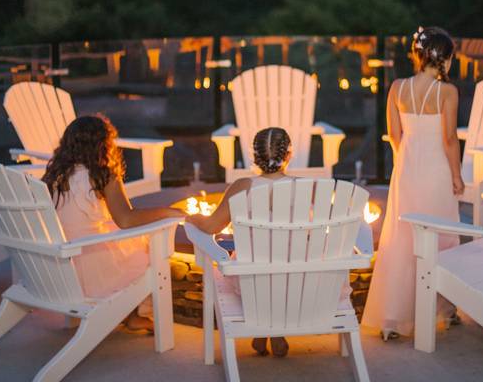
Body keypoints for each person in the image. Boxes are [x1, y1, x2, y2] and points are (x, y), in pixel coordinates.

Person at [362, 26, 464, 340]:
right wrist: (457, 176)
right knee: (441, 236)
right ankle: (443, 311)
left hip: (406, 170)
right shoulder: (447, 91)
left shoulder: (397, 87)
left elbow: (394, 135)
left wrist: (403, 161)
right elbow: (448, 139)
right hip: (435, 171)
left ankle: (392, 319)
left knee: (401, 241)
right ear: (444, 58)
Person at [42, 114, 185, 332]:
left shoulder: (55, 175)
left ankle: (128, 315)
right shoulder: (102, 175)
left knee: (118, 233)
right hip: (93, 269)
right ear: (104, 145)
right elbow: (126, 219)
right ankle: (135, 315)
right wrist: (168, 212)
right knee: (148, 247)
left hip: (61, 266)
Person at [185, 127, 297, 357]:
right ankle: (272, 332)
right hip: (299, 278)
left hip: (252, 279)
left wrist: (193, 217)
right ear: (288, 155)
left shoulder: (242, 187)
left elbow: (211, 227)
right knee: (278, 268)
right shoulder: (309, 188)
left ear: (255, 158)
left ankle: (266, 331)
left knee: (252, 271)